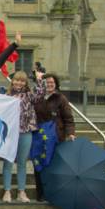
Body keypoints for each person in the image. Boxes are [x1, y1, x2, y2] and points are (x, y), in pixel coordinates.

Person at [2, 70, 44, 203]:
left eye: (22, 80)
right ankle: (7, 191)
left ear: (25, 83)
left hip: (26, 131)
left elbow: (40, 96)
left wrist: (39, 80)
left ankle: (21, 191)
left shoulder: (29, 95)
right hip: (9, 133)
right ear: (12, 81)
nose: (19, 83)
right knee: (8, 162)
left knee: (22, 163)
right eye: (16, 80)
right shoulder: (6, 95)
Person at [32, 73, 75, 201]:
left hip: (56, 136)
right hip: (39, 137)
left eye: (52, 82)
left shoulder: (60, 98)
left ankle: (53, 192)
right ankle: (41, 193)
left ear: (56, 84)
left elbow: (68, 118)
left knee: (53, 165)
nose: (49, 84)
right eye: (46, 82)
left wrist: (70, 133)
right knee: (39, 164)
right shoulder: (37, 97)